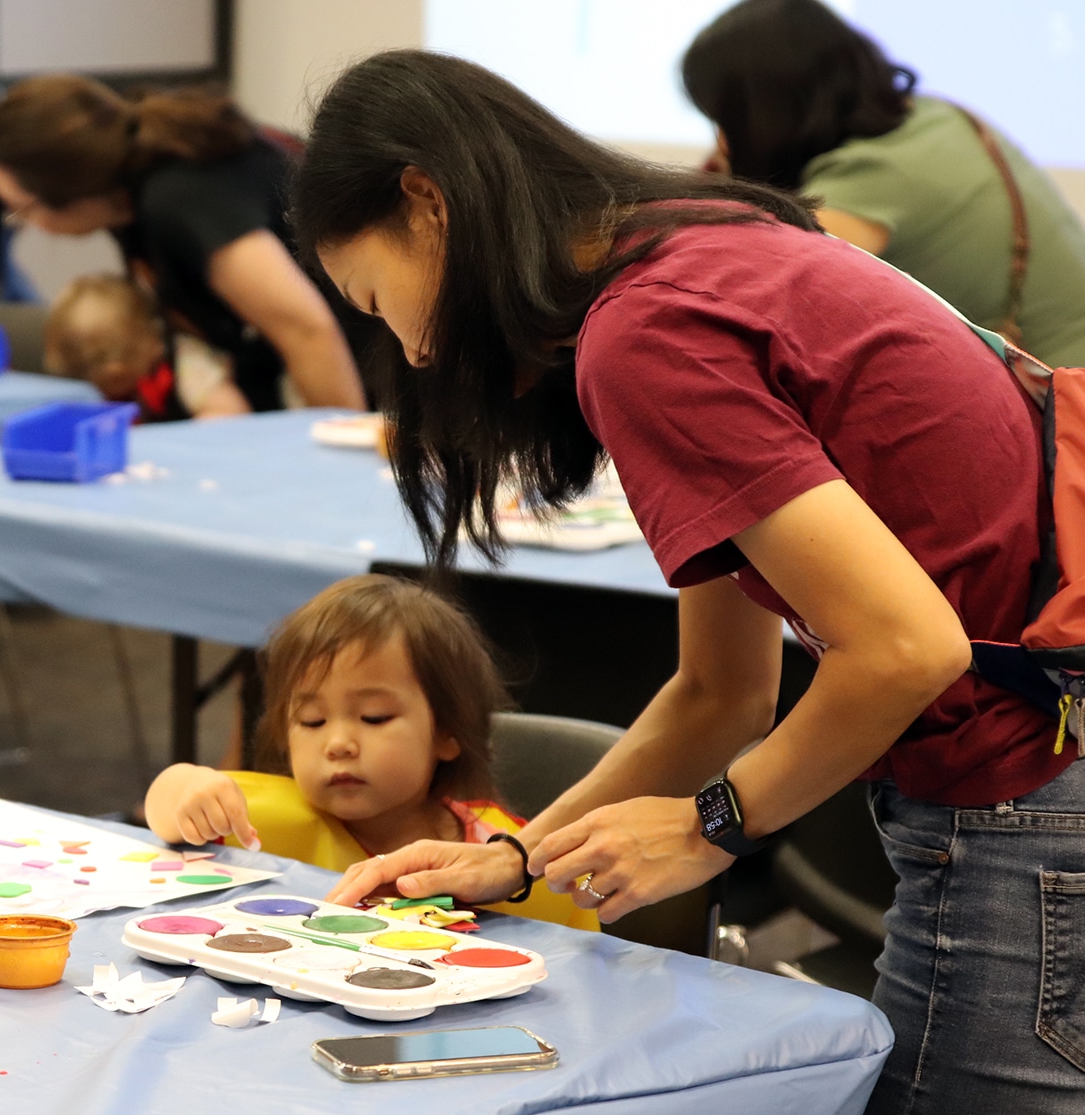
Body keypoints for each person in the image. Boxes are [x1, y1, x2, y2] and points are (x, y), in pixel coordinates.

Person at [293, 50, 1079, 1114]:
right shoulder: (698, 239)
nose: (414, 352)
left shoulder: (645, 329)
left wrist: (712, 822)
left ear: (427, 203)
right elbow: (721, 690)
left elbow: (909, 648)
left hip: (1025, 784)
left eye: (377, 300)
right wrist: (514, 857)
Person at [145, 574, 597, 930]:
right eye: (312, 721)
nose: (338, 743)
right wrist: (185, 786)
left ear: (447, 732)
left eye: (374, 717)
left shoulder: (497, 852)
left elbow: (570, 948)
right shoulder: (262, 819)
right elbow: (163, 813)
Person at [681, 0, 1085, 367]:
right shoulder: (933, 117)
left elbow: (756, 286)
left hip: (1066, 415)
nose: (721, 140)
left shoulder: (876, 174)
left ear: (767, 109)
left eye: (724, 119)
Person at [0, 75, 366, 414]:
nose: (26, 225)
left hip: (364, 368)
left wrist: (341, 475)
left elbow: (307, 330)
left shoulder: (179, 196)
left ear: (67, 190)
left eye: (20, 209)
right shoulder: (131, 204)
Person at [44, 274, 250, 421]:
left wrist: (175, 444)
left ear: (116, 374)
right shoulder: (135, 371)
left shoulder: (188, 363)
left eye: (98, 386)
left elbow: (230, 412)